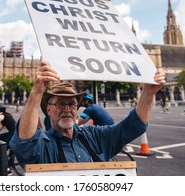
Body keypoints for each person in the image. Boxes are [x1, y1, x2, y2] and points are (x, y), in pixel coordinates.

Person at [9, 60, 165, 166]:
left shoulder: (95, 136)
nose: (67, 109)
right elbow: (25, 143)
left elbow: (133, 126)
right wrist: (37, 91)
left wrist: (148, 93)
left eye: (72, 104)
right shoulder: (44, 144)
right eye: (60, 103)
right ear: (48, 110)